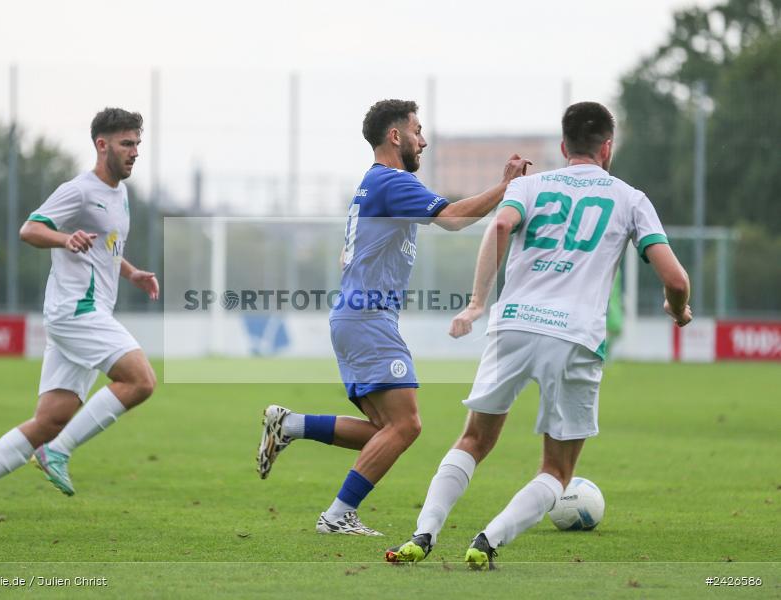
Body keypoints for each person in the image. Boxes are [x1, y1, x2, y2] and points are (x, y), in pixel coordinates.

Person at [385, 102, 692, 568]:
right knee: (557, 469)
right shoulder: (630, 199)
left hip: (513, 324)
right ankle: (486, 542)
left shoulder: (528, 186)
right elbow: (675, 279)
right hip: (575, 336)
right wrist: (678, 309)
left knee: (474, 440)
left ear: (564, 147)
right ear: (607, 148)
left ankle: (422, 534)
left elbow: (501, 225)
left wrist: (477, 302)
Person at [257, 99, 530, 535]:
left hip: (355, 317)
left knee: (384, 430)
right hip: (368, 319)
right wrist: (505, 187)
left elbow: (354, 254)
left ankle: (291, 425)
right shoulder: (392, 181)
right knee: (406, 425)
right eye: (418, 131)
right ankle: (337, 515)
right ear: (395, 135)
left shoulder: (372, 184)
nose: (423, 140)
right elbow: (453, 219)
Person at [0, 108, 159, 512]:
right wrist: (63, 239)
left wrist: (130, 273)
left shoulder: (120, 194)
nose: (134, 152)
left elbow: (105, 245)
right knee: (141, 380)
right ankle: (57, 452)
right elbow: (30, 229)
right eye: (127, 144)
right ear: (102, 145)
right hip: (77, 311)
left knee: (50, 420)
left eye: (137, 144)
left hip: (83, 314)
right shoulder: (79, 190)